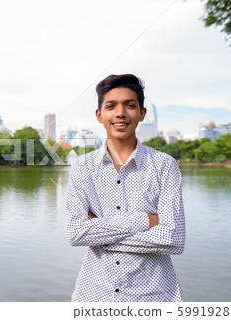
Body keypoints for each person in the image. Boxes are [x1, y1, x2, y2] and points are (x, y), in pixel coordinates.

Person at [65, 74, 185, 302]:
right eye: (111, 106)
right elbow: (76, 233)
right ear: (100, 115)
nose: (120, 113)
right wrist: (146, 221)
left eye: (130, 105)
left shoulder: (164, 165)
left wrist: (99, 233)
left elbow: (173, 239)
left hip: (153, 295)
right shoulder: (82, 167)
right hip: (95, 294)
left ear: (142, 113)